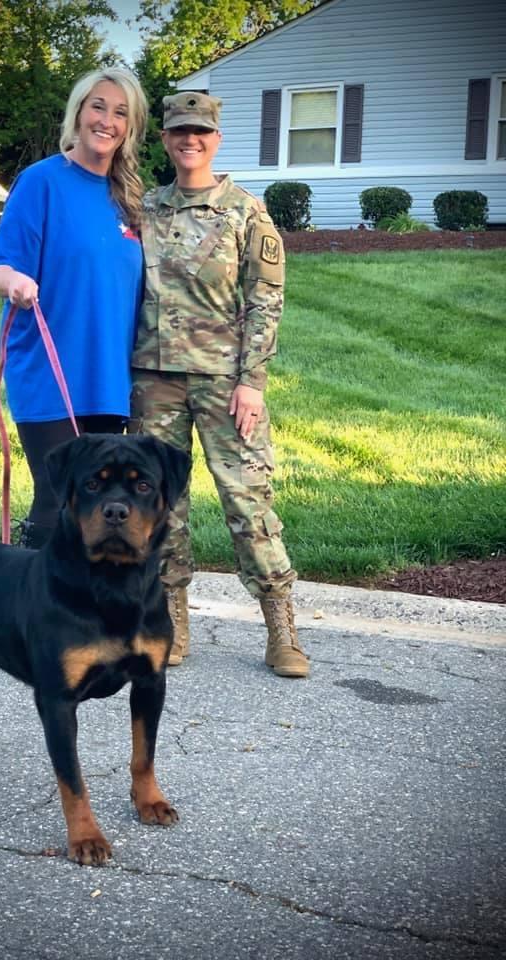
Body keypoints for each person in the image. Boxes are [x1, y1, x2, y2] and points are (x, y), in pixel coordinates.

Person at [130, 92, 309, 678]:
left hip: (225, 381)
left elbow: (266, 299)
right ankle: (171, 624)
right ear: (164, 139)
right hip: (154, 380)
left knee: (247, 501)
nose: (190, 140)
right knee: (160, 504)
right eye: (180, 131)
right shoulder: (144, 208)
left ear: (216, 139)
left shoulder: (245, 212)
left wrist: (252, 379)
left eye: (201, 131)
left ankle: (281, 629)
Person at [0, 68, 148, 548]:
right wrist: (16, 282)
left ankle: (82, 597)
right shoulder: (42, 182)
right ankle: (30, 592)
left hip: (110, 379)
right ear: (78, 112)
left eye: (120, 112)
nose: (107, 121)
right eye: (98, 106)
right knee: (59, 498)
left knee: (98, 506)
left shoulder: (130, 198)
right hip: (49, 371)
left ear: (130, 127)